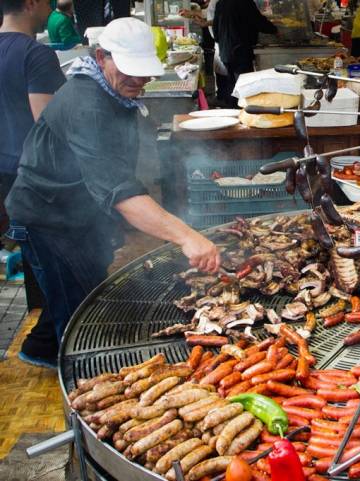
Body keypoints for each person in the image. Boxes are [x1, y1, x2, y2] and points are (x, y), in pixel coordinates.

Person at [5, 18, 221, 369]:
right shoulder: (85, 104)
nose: (139, 80)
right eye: (130, 71)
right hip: (47, 218)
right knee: (80, 315)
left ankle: (40, 347)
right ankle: (76, 373)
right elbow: (120, 191)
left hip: (77, 212)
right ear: (101, 56)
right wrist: (186, 236)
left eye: (144, 72)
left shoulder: (110, 90)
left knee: (80, 291)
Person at [1, 0, 67, 369]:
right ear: (31, 4)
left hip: (4, 177)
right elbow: (48, 125)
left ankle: (44, 339)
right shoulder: (35, 54)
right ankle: (46, 345)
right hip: (30, 178)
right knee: (57, 264)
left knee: (38, 261)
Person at [212, 0, 277, 106]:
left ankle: (232, 110)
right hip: (240, 50)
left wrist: (223, 42)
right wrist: (275, 30)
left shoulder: (221, 3)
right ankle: (243, 111)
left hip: (226, 50)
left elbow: (215, 28)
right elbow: (258, 21)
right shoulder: (245, 2)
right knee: (245, 85)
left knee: (232, 84)